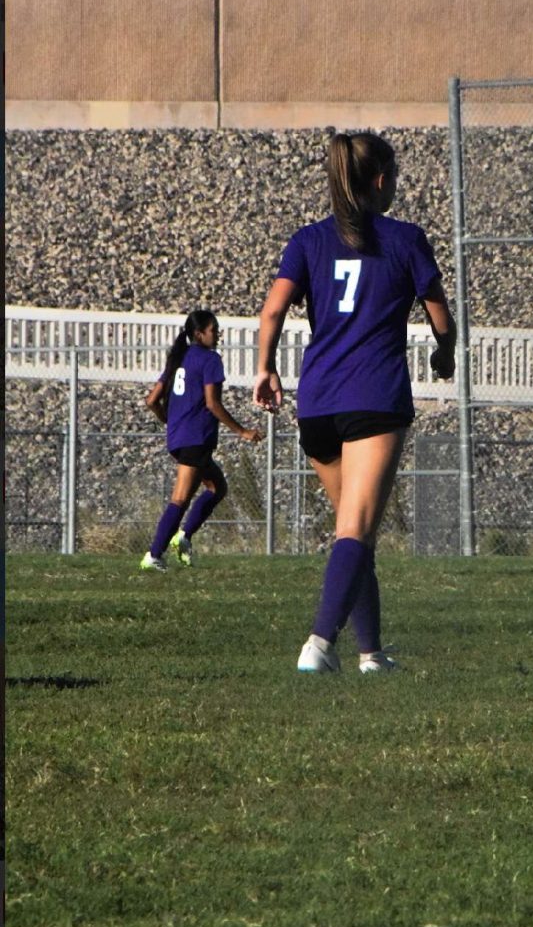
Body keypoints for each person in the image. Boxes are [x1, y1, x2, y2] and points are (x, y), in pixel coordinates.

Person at [253, 131, 456, 673]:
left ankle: (371, 652)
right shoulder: (407, 239)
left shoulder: (307, 240)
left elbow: (272, 312)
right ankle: (319, 645)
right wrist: (445, 356)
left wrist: (266, 369)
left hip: (317, 401)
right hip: (373, 397)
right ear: (382, 180)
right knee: (356, 529)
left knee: (354, 527)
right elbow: (441, 319)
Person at [141, 309, 262, 571]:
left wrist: (169, 420)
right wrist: (242, 431)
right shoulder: (210, 360)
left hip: (179, 438)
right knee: (180, 499)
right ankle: (153, 555)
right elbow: (212, 403)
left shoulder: (179, 358)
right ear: (199, 334)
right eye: (214, 329)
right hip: (196, 438)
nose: (218, 334)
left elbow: (151, 400)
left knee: (217, 487)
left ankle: (183, 537)